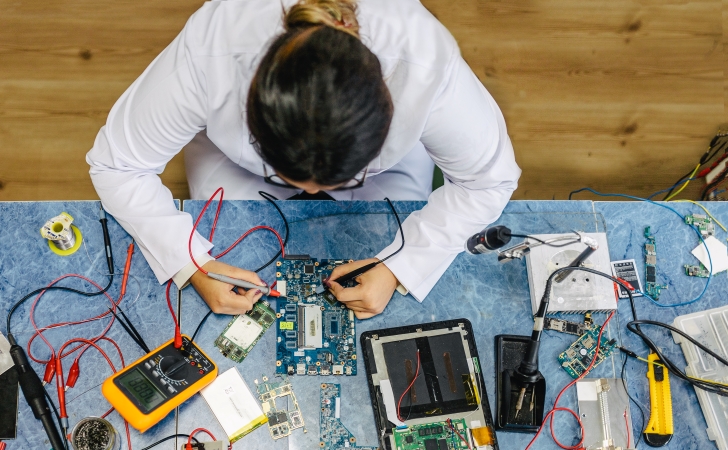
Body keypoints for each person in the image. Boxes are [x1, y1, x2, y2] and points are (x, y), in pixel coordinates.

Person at [87, 0, 520, 319]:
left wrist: (402, 265)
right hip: (235, 166)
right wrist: (190, 261)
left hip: (386, 175)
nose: (310, 193)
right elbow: (118, 165)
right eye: (288, 173)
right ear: (251, 114)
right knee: (225, 237)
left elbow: (489, 180)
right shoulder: (212, 50)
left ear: (388, 115)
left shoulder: (424, 60)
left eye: (338, 179)